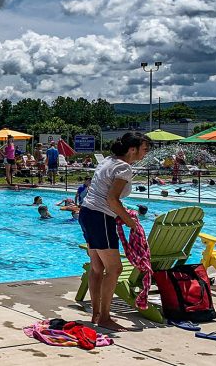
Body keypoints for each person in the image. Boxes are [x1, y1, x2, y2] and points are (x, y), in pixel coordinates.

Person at [78, 132, 150, 332]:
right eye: (145, 149)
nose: (146, 153)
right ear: (132, 149)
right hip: (100, 217)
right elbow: (112, 200)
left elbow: (102, 194)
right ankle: (105, 317)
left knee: (97, 268)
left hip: (87, 213)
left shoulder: (108, 161)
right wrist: (131, 223)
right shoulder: (124, 167)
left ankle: (97, 314)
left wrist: (122, 215)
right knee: (115, 269)